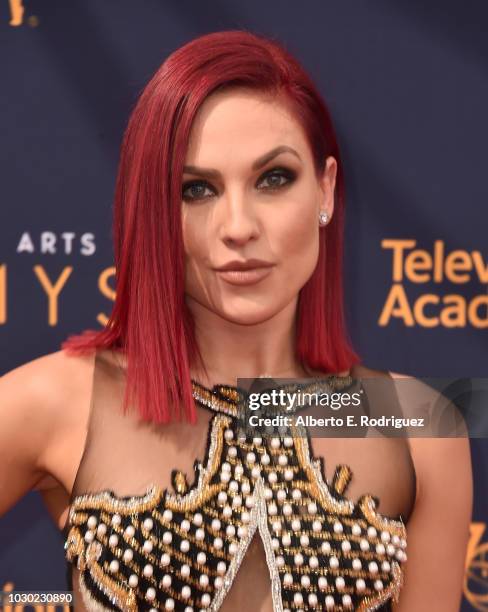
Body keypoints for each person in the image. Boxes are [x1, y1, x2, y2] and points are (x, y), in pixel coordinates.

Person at [0, 30, 472, 612]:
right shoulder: (56, 400)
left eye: (273, 179)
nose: (238, 226)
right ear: (153, 211)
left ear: (325, 190)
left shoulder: (420, 424)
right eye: (195, 189)